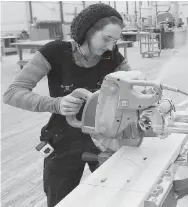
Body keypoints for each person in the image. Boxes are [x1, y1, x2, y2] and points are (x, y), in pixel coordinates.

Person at [3, 3, 131, 206]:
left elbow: (132, 89)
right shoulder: (54, 52)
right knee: (60, 200)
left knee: (115, 196)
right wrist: (56, 104)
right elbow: (12, 93)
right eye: (106, 38)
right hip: (63, 140)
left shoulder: (113, 57)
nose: (109, 47)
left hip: (103, 138)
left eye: (115, 41)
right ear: (87, 31)